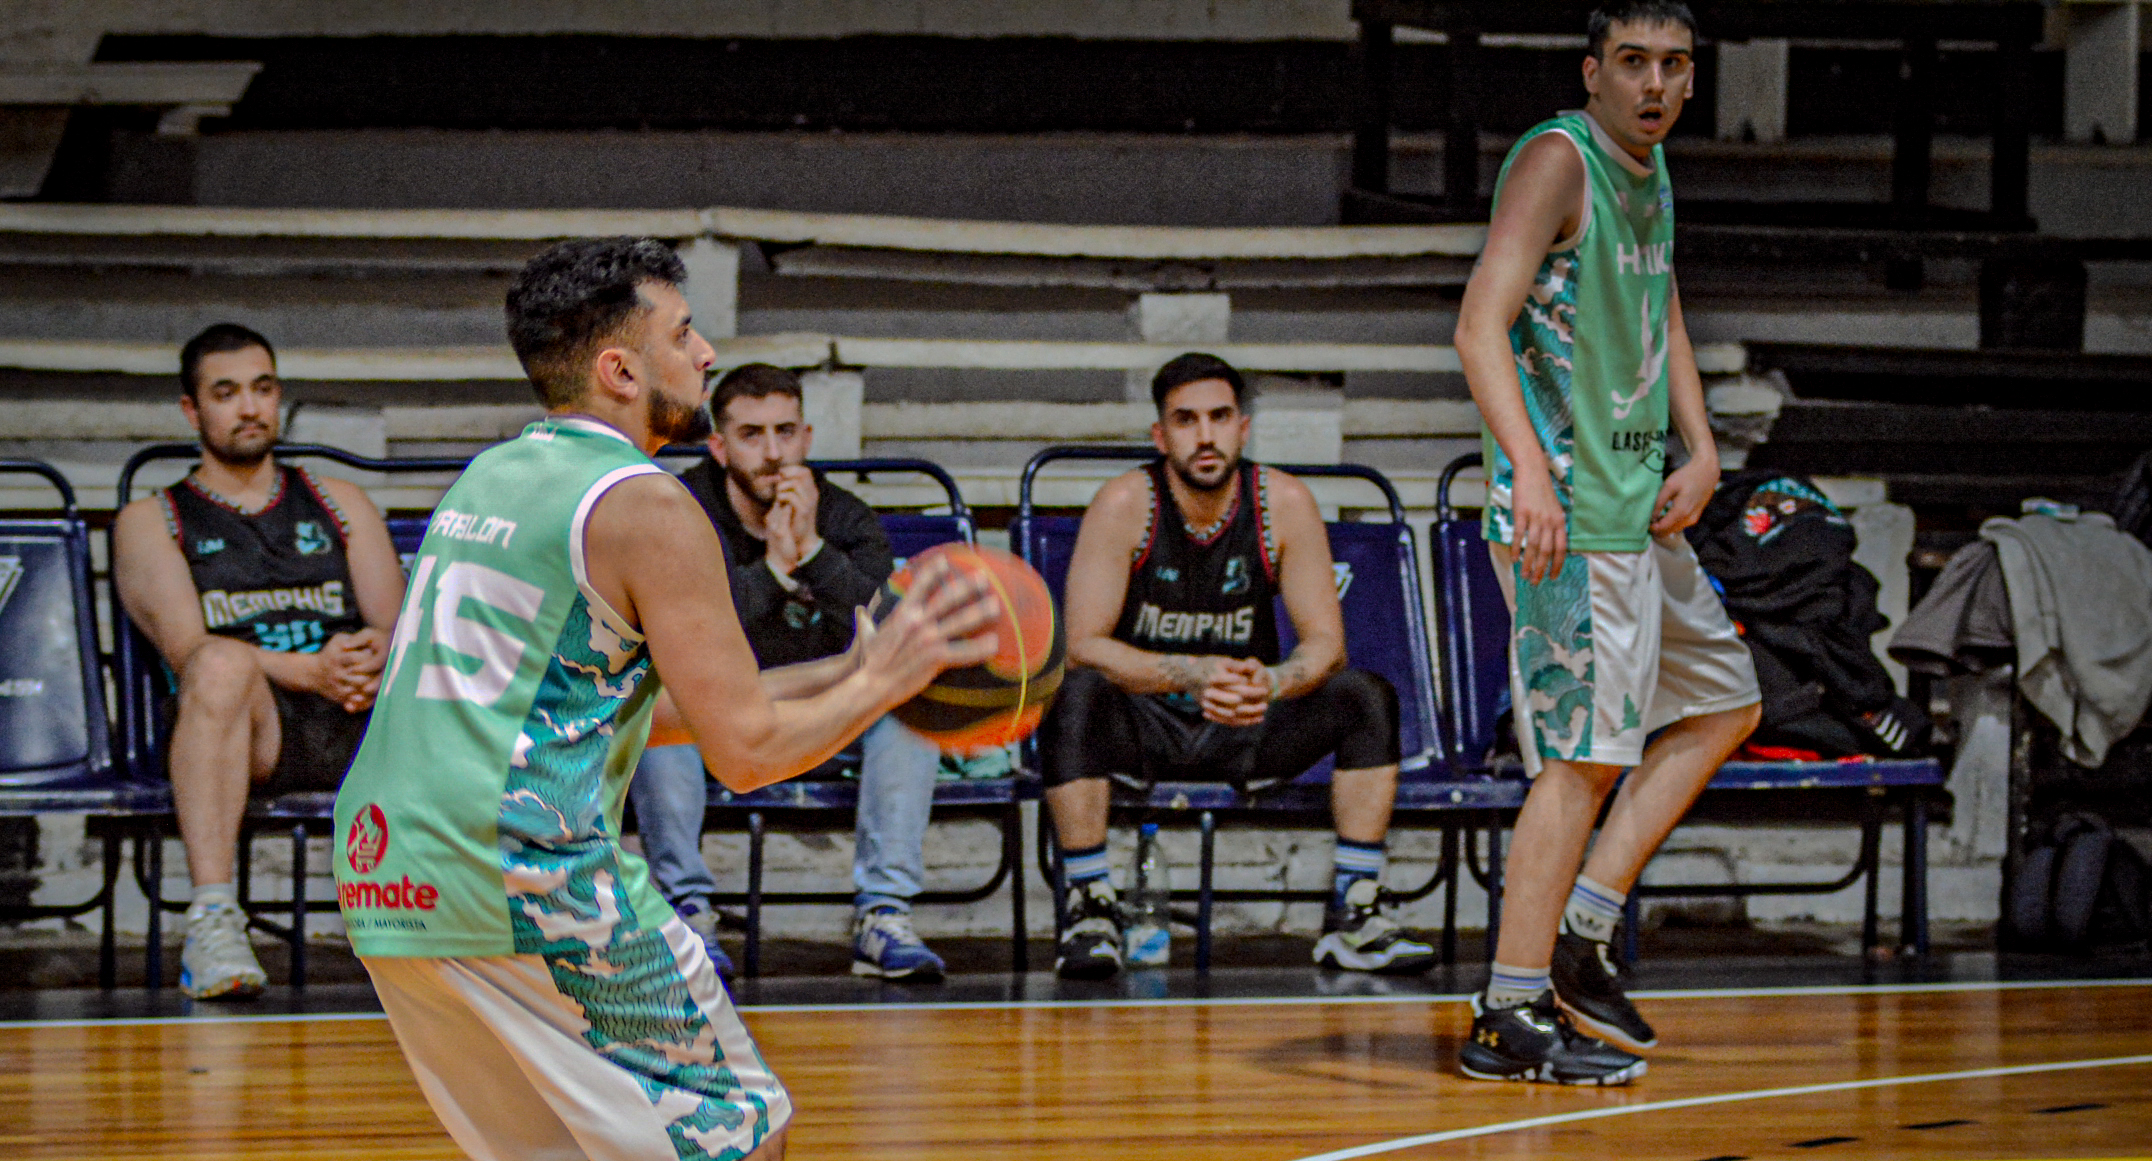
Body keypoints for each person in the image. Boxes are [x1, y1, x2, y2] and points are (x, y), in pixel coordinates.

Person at [331, 238, 994, 1161]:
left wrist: (859, 677)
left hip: (391, 868)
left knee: (584, 1141)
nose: (706, 350)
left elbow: (681, 707)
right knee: (742, 1129)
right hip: (520, 863)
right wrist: (886, 675)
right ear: (621, 367)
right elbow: (746, 753)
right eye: (684, 332)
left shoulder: (498, 477)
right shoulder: (646, 505)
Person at [1450, 0, 1761, 1086]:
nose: (1655, 84)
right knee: (1580, 761)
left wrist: (1702, 445)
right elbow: (1477, 325)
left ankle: (1581, 933)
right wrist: (1529, 469)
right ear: (1593, 73)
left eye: (1674, 64)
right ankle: (1507, 1008)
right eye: (1633, 62)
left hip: (1636, 506)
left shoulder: (1650, 166)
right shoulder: (1560, 161)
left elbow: (1658, 302)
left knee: (1726, 702)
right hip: (1567, 520)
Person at [1036, 351, 1435, 980]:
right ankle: (1091, 908)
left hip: (1246, 722)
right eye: (1186, 420)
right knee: (1073, 690)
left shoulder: (1284, 501)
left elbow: (1326, 643)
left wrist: (1274, 682)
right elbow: (1083, 643)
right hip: (1147, 723)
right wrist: (1190, 672)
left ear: (1242, 428)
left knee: (1365, 695)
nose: (1205, 436)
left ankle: (1355, 912)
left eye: (1219, 417)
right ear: (1160, 435)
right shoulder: (1125, 503)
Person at [111, 324, 404, 999]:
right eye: (226, 393)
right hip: (248, 730)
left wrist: (374, 653)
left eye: (262, 389)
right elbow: (187, 650)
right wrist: (311, 671)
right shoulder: (152, 519)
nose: (249, 408)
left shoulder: (340, 501)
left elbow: (398, 628)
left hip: (356, 715)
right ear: (192, 411)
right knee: (219, 665)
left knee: (460, 652)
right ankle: (215, 920)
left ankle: (505, 913)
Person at [633, 363, 948, 983]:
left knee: (909, 707)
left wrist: (812, 555)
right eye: (751, 435)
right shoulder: (683, 512)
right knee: (654, 709)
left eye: (785, 431)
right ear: (718, 447)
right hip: (717, 714)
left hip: (827, 710)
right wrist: (775, 571)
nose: (773, 453)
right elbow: (683, 632)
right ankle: (686, 912)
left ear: (806, 437)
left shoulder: (846, 517)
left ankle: (883, 915)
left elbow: (883, 628)